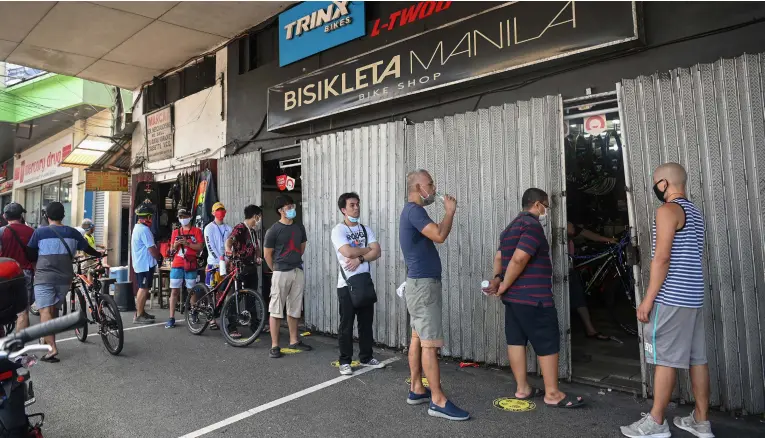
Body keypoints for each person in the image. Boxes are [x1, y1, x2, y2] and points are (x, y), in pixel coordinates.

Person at [621, 163, 712, 438]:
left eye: (654, 182)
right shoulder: (695, 213)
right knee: (697, 359)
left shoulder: (667, 211)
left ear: (664, 183)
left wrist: (648, 300)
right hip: (693, 297)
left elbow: (661, 258)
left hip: (672, 296)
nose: (654, 188)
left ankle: (656, 422)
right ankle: (701, 421)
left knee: (665, 359)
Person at [484, 188, 584, 409]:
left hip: (513, 301)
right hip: (534, 298)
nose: (546, 210)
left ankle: (523, 389)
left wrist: (498, 280)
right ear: (537, 204)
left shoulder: (509, 228)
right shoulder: (531, 226)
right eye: (546, 206)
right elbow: (519, 259)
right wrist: (503, 285)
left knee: (516, 341)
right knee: (547, 341)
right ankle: (552, 393)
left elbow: (500, 256)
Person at [400, 169, 468, 421]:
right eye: (430, 184)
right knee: (429, 343)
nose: (434, 187)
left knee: (418, 338)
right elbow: (440, 235)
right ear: (418, 187)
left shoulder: (413, 212)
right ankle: (438, 401)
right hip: (423, 286)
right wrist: (450, 212)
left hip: (420, 285)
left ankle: (417, 388)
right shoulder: (415, 211)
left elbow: (434, 234)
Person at [27, 202, 101, 361]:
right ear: (63, 216)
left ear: (47, 217)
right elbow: (87, 249)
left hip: (44, 277)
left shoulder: (40, 233)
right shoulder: (73, 233)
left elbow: (30, 254)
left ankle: (52, 348)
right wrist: (99, 254)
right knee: (52, 310)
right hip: (64, 278)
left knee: (45, 311)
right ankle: (47, 338)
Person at [331, 193, 384, 376]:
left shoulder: (365, 229)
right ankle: (344, 361)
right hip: (346, 285)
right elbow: (346, 251)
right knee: (346, 324)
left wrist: (360, 257)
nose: (356, 207)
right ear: (343, 210)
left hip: (364, 282)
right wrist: (366, 250)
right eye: (352, 205)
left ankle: (366, 357)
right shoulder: (338, 230)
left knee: (366, 323)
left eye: (358, 204)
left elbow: (377, 252)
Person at [263, 195, 311, 358]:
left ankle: (293, 340)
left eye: (292, 206)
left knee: (295, 307)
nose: (292, 209)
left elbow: (302, 246)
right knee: (276, 309)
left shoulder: (299, 227)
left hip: (297, 270)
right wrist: (275, 269)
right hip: (280, 272)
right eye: (288, 207)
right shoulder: (273, 230)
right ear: (280, 211)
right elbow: (267, 254)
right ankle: (275, 345)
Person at [567, 221, 618, 341]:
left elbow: (585, 233)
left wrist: (608, 239)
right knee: (577, 298)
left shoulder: (566, 222)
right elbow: (573, 230)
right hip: (559, 268)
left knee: (579, 298)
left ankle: (590, 329)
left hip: (569, 268)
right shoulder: (557, 223)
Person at [165, 208, 204, 329]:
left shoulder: (197, 231)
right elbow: (171, 251)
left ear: (190, 217)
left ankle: (194, 313)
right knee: (174, 291)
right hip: (177, 264)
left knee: (192, 290)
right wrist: (175, 245)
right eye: (180, 217)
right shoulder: (176, 232)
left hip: (191, 263)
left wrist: (187, 244)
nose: (182, 219)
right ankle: (171, 317)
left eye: (184, 216)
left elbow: (200, 247)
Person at [0, 203, 35, 331]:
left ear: (4, 216)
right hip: (24, 273)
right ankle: (19, 348)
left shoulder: (2, 231)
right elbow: (34, 255)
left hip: (3, 273)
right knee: (23, 311)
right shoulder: (31, 231)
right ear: (21, 216)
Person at [203, 202, 233, 331]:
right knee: (212, 291)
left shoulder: (229, 228)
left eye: (222, 210)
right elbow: (210, 246)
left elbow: (231, 245)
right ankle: (211, 319)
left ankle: (225, 315)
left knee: (227, 291)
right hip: (214, 263)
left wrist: (228, 259)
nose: (220, 212)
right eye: (218, 210)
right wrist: (219, 259)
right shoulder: (209, 227)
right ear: (213, 213)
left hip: (226, 264)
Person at [131, 204, 161, 324]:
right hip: (144, 265)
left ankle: (141, 312)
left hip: (142, 264)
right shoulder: (144, 230)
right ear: (147, 217)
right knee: (143, 289)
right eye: (150, 216)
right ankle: (138, 315)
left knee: (144, 288)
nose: (152, 219)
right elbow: (151, 249)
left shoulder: (137, 227)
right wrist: (159, 257)